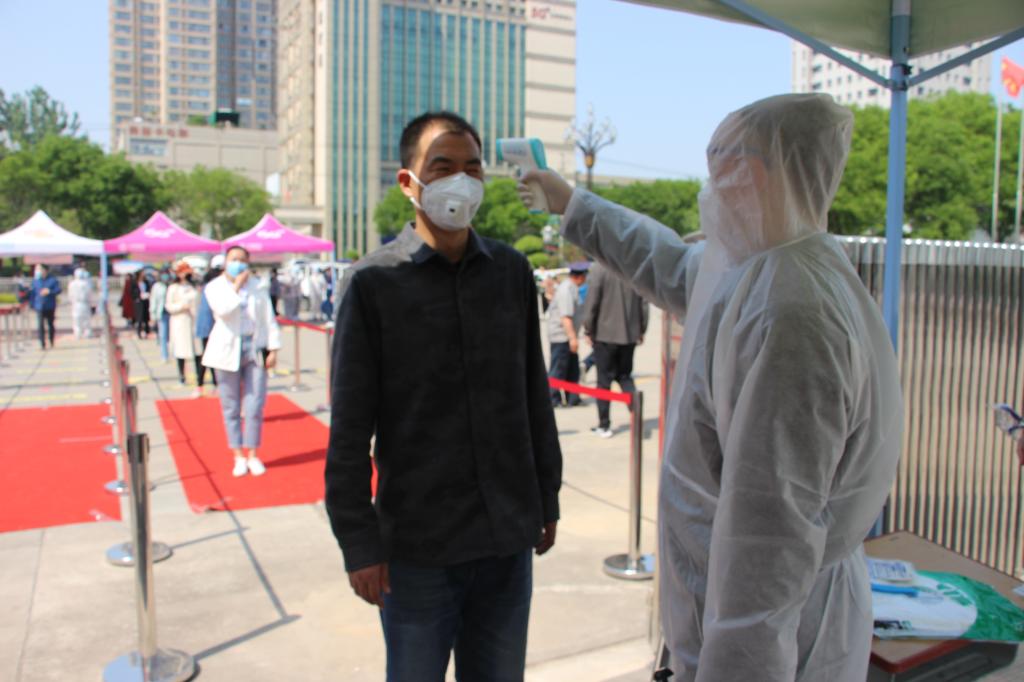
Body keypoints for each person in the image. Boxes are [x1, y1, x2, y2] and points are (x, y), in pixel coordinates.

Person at [521, 94, 902, 681]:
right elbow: (665, 262)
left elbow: (769, 540)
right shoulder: (755, 270)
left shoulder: (792, 311)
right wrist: (572, 203)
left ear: (757, 176)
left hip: (771, 640)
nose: (711, 189)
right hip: (725, 613)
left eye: (722, 167)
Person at [325, 111, 562, 682]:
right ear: (409, 182)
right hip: (417, 549)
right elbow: (350, 427)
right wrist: (359, 542)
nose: (461, 179)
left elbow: (533, 394)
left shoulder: (510, 272)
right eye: (443, 166)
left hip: (506, 537)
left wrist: (546, 497)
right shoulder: (373, 283)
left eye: (472, 168)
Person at [201, 246, 280, 477]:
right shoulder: (215, 287)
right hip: (227, 350)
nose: (238, 263)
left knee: (254, 405)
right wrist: (236, 286)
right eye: (233, 259)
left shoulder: (257, 286)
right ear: (225, 261)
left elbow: (268, 319)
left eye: (242, 260)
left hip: (254, 348)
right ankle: (238, 455)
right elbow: (223, 310)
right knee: (231, 406)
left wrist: (273, 348)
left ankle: (253, 453)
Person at [582, 261, 649, 438]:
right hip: (629, 335)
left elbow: (592, 301)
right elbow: (644, 302)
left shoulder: (599, 268)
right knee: (625, 377)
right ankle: (637, 417)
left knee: (603, 381)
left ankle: (604, 425)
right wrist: (641, 329)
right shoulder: (632, 267)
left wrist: (588, 328)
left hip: (605, 335)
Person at [547, 264, 587, 407]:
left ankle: (573, 398)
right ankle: (552, 399)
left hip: (567, 335)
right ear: (579, 277)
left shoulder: (572, 287)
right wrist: (572, 338)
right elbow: (566, 317)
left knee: (572, 369)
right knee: (558, 369)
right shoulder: (566, 290)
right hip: (562, 336)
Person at [165, 262, 204, 395]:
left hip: (193, 322)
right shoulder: (173, 288)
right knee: (180, 351)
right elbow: (169, 306)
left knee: (198, 351)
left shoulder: (194, 287)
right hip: (180, 322)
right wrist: (181, 306)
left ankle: (199, 379)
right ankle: (182, 376)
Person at [194, 255, 223, 396]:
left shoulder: (210, 285)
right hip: (212, 327)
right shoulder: (215, 286)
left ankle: (206, 384)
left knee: (208, 357)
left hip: (209, 327)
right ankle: (206, 384)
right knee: (209, 357)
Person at [29, 264, 61, 349]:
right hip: (39, 306)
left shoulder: (53, 280)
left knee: (50, 324)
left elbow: (58, 290)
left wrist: (49, 291)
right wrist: (32, 305)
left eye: (39, 269)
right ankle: (42, 343)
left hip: (50, 306)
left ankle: (51, 340)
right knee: (40, 325)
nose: (38, 271)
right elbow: (33, 294)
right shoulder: (36, 281)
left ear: (45, 270)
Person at [67, 268, 95, 339]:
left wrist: (71, 302)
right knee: (86, 319)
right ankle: (87, 333)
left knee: (77, 319)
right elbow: (90, 294)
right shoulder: (86, 284)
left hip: (76, 304)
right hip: (84, 303)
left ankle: (78, 333)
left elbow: (70, 295)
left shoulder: (72, 284)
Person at [150, 269, 171, 363]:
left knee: (170, 335)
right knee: (163, 335)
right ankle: (164, 355)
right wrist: (152, 314)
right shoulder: (157, 286)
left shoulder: (171, 285)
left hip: (172, 313)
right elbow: (153, 300)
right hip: (161, 313)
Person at [131, 271, 151, 339]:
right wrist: (138, 296)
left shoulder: (146, 282)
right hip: (138, 302)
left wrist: (147, 295)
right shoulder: (134, 283)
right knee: (139, 318)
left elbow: (149, 289)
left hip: (146, 301)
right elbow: (132, 292)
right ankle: (139, 332)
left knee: (146, 318)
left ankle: (147, 332)